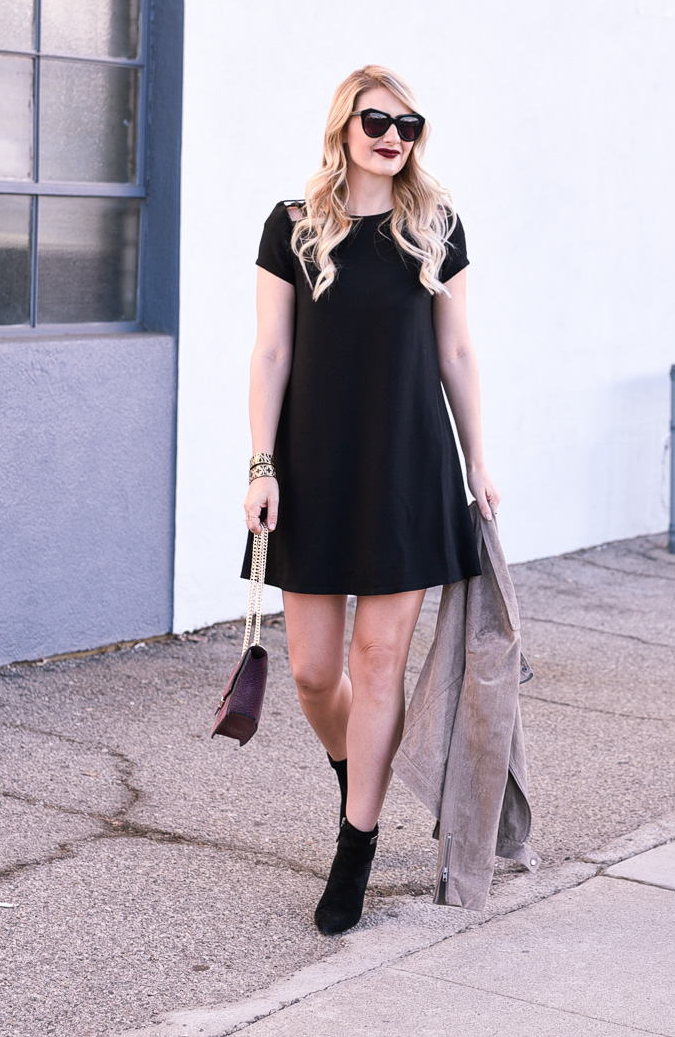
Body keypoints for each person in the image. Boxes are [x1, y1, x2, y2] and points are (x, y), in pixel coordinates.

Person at [242, 64, 499, 935]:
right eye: (378, 120)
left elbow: (456, 356)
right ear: (344, 126)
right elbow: (270, 355)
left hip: (406, 470)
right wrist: (260, 465)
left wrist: (480, 465)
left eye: (409, 124)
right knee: (316, 673)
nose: (394, 136)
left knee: (378, 664)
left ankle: (356, 846)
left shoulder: (437, 228)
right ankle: (362, 773)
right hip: (312, 470)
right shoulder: (293, 227)